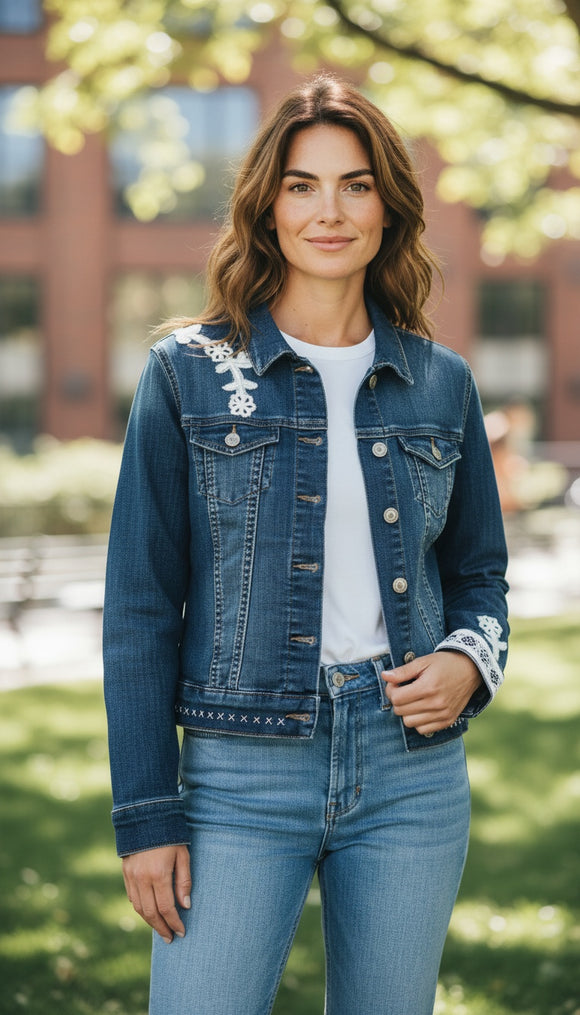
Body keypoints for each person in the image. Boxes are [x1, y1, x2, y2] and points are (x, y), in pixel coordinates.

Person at [103, 74, 509, 1015]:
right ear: (267, 208)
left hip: (412, 768)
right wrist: (147, 815)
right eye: (302, 184)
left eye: (356, 184)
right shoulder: (188, 374)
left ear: (388, 208)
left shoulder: (440, 383)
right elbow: (138, 609)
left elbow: (480, 575)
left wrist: (470, 661)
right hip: (237, 771)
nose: (330, 210)